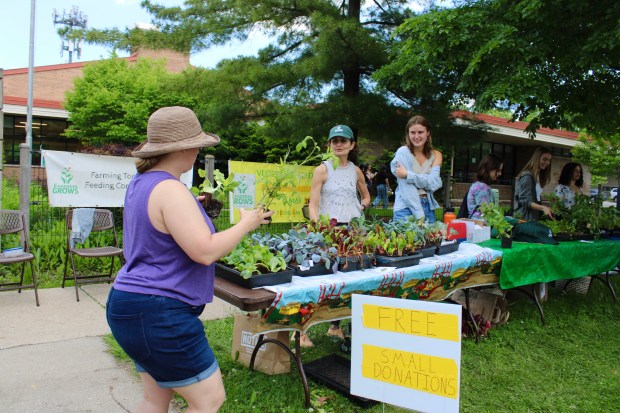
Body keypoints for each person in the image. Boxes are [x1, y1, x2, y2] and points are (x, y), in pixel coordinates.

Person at [106, 106, 273, 413]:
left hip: (129, 305)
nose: (198, 150)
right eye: (197, 144)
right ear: (184, 147)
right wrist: (247, 223)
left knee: (155, 398)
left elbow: (157, 227)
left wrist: (190, 208)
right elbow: (205, 250)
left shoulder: (143, 183)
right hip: (159, 313)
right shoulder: (171, 190)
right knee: (208, 399)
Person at [307, 124, 370, 346]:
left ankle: (336, 326)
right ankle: (306, 327)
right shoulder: (322, 170)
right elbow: (313, 204)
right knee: (327, 279)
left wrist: (360, 207)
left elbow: (365, 195)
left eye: (344, 141)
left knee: (351, 279)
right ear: (329, 145)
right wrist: (319, 229)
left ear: (352, 145)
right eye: (335, 141)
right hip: (330, 231)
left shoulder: (355, 170)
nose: (339, 144)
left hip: (353, 231)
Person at [390, 115, 443, 222]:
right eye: (412, 132)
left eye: (420, 132)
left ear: (428, 133)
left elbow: (434, 183)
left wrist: (408, 175)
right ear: (408, 134)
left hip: (428, 207)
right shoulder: (402, 152)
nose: (416, 136)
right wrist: (420, 215)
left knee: (430, 239)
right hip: (405, 208)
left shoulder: (436, 155)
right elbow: (406, 187)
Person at [514, 147, 554, 221]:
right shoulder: (527, 176)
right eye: (544, 159)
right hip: (524, 219)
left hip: (532, 218)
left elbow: (536, 199)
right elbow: (525, 201)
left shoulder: (537, 176)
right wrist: (542, 208)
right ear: (537, 158)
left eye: (549, 160)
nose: (547, 163)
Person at [465, 153, 504, 221]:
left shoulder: (478, 184)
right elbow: (486, 212)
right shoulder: (482, 188)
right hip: (480, 227)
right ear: (490, 168)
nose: (500, 174)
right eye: (499, 170)